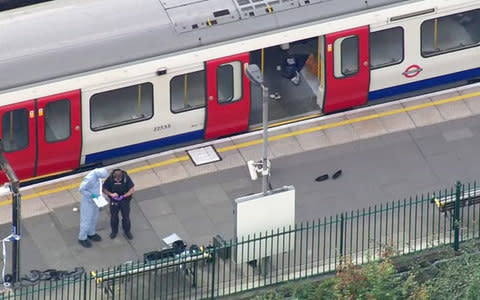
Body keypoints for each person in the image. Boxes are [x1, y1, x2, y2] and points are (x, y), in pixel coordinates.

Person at [78, 168, 109, 248]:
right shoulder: (89, 179)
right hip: (88, 202)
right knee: (86, 220)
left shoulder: (98, 177)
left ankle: (91, 233)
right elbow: (81, 189)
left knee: (94, 218)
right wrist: (91, 195)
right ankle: (82, 237)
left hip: (96, 200)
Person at [102, 169, 135, 240]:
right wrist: (111, 194)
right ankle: (114, 232)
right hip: (114, 200)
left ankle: (127, 231)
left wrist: (124, 196)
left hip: (125, 200)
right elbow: (104, 189)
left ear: (121, 176)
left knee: (126, 217)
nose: (117, 181)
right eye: (116, 179)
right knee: (114, 217)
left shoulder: (126, 178)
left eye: (119, 179)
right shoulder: (110, 179)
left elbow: (131, 190)